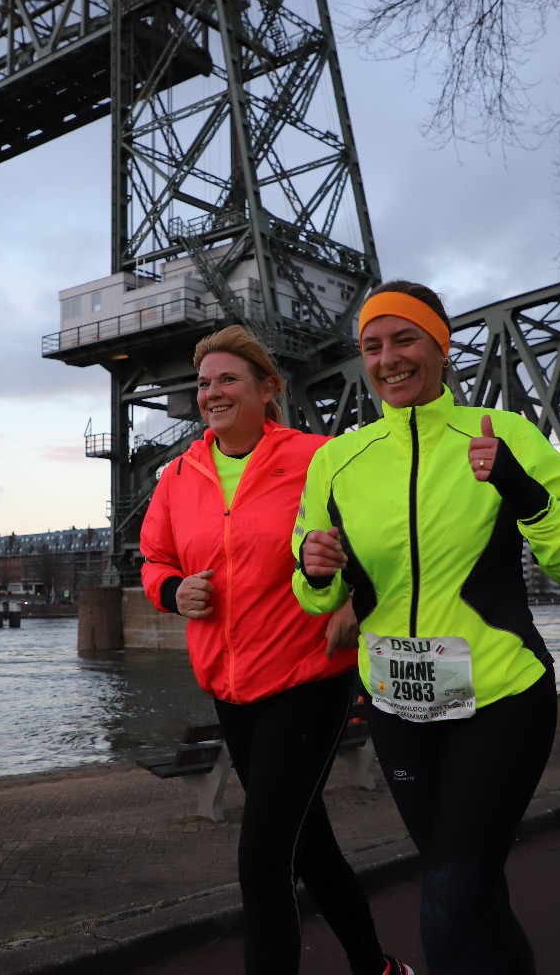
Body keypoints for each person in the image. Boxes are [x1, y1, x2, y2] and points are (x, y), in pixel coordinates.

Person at [293, 281, 560, 975]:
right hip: (397, 706)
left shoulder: (504, 434)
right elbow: (319, 596)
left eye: (405, 339)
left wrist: (522, 492)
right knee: (468, 889)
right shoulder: (336, 461)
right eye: (372, 346)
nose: (389, 359)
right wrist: (315, 572)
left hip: (500, 698)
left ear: (441, 345)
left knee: (450, 893)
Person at [139, 324, 412, 975]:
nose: (212, 392)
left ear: (269, 389)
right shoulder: (178, 476)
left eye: (228, 379)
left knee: (263, 863)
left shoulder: (319, 459)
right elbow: (154, 558)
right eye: (204, 383)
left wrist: (352, 603)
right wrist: (173, 590)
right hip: (230, 689)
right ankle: (376, 967)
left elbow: (385, 544)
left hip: (307, 680)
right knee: (309, 845)